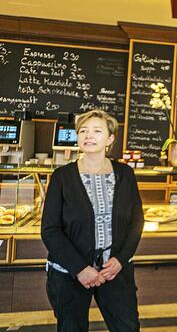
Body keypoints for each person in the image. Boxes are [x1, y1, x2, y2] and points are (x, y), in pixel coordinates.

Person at [42, 110, 144, 332]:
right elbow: (50, 230)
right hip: (69, 273)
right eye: (83, 131)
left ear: (110, 139)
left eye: (97, 131)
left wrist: (120, 259)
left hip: (115, 270)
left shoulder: (125, 174)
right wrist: (80, 268)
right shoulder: (62, 177)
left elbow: (136, 222)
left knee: (128, 327)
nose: (88, 135)